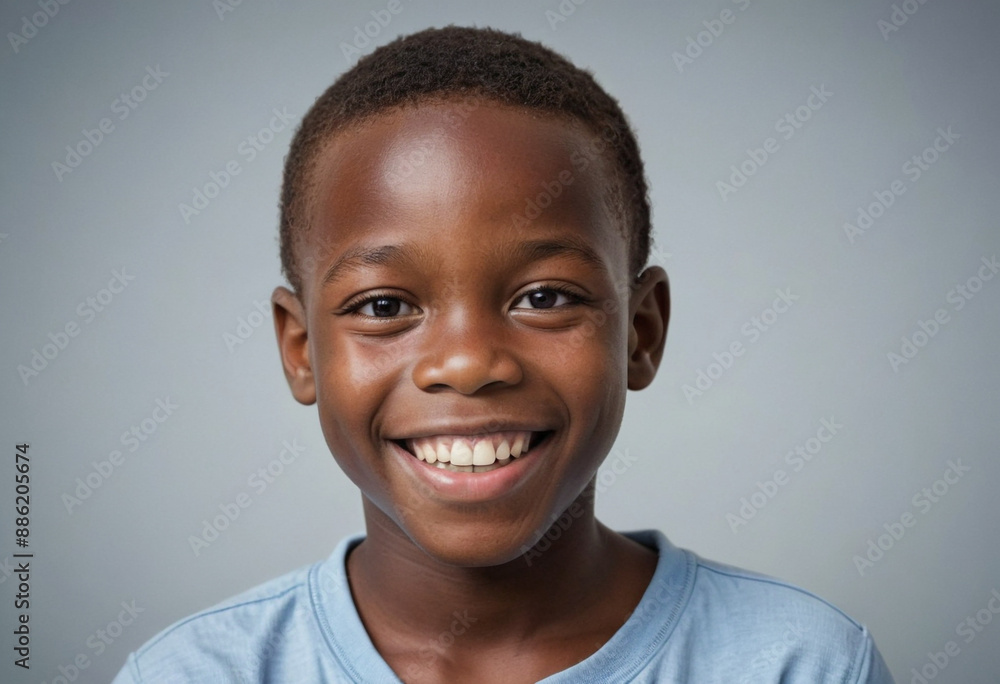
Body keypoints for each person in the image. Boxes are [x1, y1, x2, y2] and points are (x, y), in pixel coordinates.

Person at [112, 26, 895, 683]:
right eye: (384, 307)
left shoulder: (801, 663)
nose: (467, 363)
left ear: (641, 331)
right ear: (300, 350)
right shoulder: (192, 675)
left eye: (545, 297)